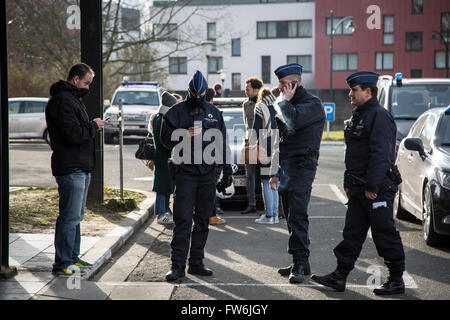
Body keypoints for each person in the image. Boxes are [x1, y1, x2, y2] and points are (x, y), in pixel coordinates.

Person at [311, 71, 406, 296]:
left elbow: (381, 154)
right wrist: (348, 181)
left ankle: (396, 279)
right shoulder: (359, 115)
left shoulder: (378, 116)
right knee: (352, 234)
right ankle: (339, 275)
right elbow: (352, 154)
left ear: (368, 91)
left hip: (376, 188)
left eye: (354, 90)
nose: (350, 94)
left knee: (384, 233)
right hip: (358, 187)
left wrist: (372, 186)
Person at [160, 71, 232, 281]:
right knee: (182, 220)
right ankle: (177, 266)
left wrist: (226, 171)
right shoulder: (176, 112)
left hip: (207, 174)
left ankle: (197, 263)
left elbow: (223, 143)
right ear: (189, 91)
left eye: (201, 94)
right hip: (185, 174)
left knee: (202, 221)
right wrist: (182, 131)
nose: (198, 97)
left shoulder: (214, 113)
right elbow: (164, 139)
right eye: (195, 94)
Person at [45, 63, 107, 276]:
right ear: (75, 79)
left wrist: (91, 126)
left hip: (79, 166)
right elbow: (73, 134)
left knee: (76, 216)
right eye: (86, 82)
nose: (88, 87)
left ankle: (72, 257)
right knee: (69, 217)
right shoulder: (63, 101)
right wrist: (94, 126)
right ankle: (62, 263)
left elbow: (76, 130)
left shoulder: (72, 99)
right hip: (70, 167)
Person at [269, 63, 325, 284]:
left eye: (284, 84)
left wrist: (284, 100)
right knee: (290, 213)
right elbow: (280, 139)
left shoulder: (312, 104)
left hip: (303, 166)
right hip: (287, 166)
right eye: (280, 85)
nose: (281, 88)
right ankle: (301, 261)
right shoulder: (288, 103)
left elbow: (293, 120)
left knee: (298, 213)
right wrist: (275, 171)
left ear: (296, 83)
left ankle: (300, 262)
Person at [249, 88, 279, 225]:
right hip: (278, 148)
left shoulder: (260, 108)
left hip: (265, 148)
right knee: (275, 182)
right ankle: (276, 215)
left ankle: (269, 215)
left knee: (266, 182)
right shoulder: (279, 107)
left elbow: (254, 131)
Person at [148, 91, 178, 225]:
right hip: (164, 156)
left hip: (159, 155)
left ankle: (163, 212)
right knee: (163, 186)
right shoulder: (164, 118)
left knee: (163, 185)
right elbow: (165, 140)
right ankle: (161, 215)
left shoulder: (156, 117)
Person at [241, 76, 264, 215]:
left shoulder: (263, 104)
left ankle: (266, 205)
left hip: (263, 144)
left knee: (265, 175)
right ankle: (252, 204)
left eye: (248, 89)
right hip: (249, 143)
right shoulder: (245, 105)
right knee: (249, 175)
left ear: (256, 90)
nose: (245, 91)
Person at [205, 86, 226, 225]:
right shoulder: (214, 112)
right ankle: (211, 215)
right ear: (212, 99)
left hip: (198, 156)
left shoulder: (195, 112)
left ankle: (207, 215)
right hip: (212, 156)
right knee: (210, 188)